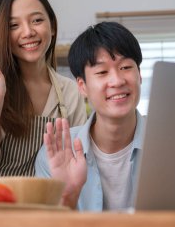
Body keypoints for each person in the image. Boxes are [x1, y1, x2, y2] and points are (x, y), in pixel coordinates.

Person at [0, 0, 87, 182]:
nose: (28, 32)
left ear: (52, 26)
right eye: (13, 26)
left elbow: (76, 167)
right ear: (2, 34)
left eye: (37, 20)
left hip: (37, 209)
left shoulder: (69, 92)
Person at [35, 21, 145, 211]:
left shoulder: (169, 144)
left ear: (140, 75)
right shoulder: (56, 153)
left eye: (126, 67)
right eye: (102, 72)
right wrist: (68, 197)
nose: (117, 81)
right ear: (82, 86)